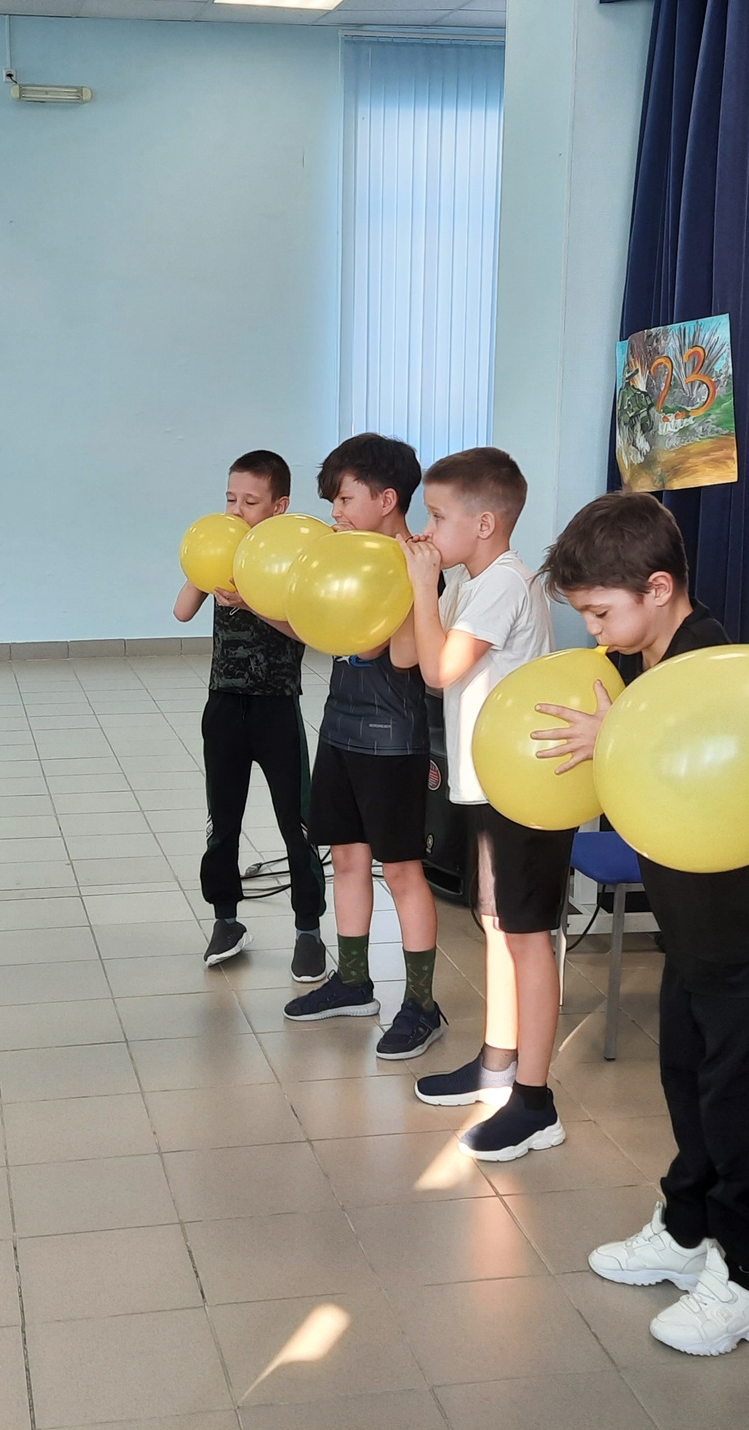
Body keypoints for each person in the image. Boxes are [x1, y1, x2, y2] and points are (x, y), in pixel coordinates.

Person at [531, 492, 749, 1355]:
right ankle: (689, 1229)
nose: (593, 631)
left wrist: (622, 735)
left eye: (600, 612)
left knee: (741, 1104)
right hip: (692, 924)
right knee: (689, 1081)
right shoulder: (640, 664)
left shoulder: (709, 663)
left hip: (747, 929)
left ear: (659, 589)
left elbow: (708, 768)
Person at [397, 448, 569, 1159]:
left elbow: (440, 670)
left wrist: (423, 582)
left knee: (527, 937)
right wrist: (414, 583)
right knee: (498, 927)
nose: (426, 530)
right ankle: (499, 1063)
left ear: (486, 523)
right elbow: (408, 655)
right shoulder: (470, 582)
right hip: (489, 784)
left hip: (522, 789)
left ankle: (535, 1101)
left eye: (438, 517)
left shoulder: (502, 583)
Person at [280, 433, 446, 1060]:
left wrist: (399, 583)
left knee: (401, 870)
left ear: (387, 499)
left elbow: (394, 652)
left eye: (345, 499)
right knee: (347, 858)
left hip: (394, 743)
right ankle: (353, 982)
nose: (336, 513)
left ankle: (422, 1005)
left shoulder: (419, 563)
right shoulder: (343, 558)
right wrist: (258, 603)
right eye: (333, 502)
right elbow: (320, 629)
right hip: (340, 728)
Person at [170, 449, 326, 976]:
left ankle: (309, 931)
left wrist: (253, 601)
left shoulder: (292, 563)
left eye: (250, 502)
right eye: (230, 499)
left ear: (279, 507)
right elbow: (182, 611)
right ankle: (225, 919)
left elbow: (308, 631)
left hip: (277, 709)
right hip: (223, 707)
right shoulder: (223, 556)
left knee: (297, 824)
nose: (237, 511)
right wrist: (204, 567)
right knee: (223, 821)